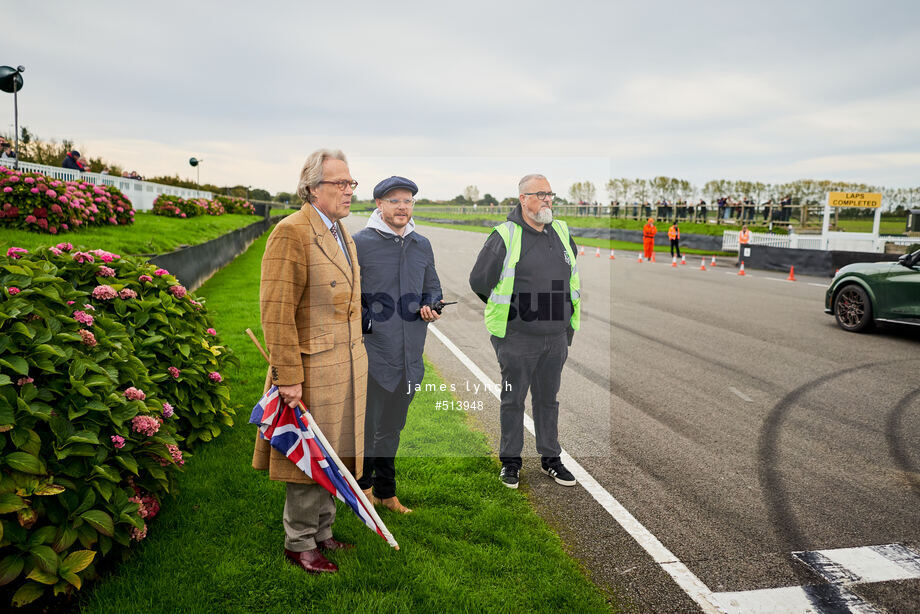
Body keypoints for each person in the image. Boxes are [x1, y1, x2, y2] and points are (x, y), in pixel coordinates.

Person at [254, 148, 368, 575]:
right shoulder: (292, 232)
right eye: (341, 183)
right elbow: (277, 311)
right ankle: (299, 543)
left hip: (346, 365)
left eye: (351, 183)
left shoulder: (340, 232)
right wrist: (288, 378)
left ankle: (323, 532)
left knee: (334, 453)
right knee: (308, 458)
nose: (349, 191)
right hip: (311, 370)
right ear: (312, 187)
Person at [469, 173, 579, 490]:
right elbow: (479, 281)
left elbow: (570, 274)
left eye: (550, 194)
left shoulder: (560, 231)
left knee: (548, 401)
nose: (547, 199)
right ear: (523, 199)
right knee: (513, 400)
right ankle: (511, 463)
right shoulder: (505, 235)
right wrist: (512, 313)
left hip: (556, 337)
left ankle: (550, 459)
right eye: (540, 194)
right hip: (518, 338)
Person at [353, 176, 442, 514]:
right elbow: (348, 296)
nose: (402, 207)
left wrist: (432, 304)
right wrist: (369, 321)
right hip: (373, 353)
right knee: (367, 430)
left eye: (408, 201)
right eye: (394, 201)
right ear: (379, 204)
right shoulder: (359, 242)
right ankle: (362, 492)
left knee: (392, 429)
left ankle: (387, 494)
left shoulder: (422, 244)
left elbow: (432, 286)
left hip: (409, 356)